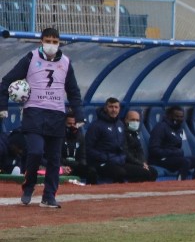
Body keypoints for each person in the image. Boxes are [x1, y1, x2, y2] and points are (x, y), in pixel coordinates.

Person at [0, 28, 83, 207]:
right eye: (48, 41)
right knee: (36, 151)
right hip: (34, 112)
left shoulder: (66, 62)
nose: (51, 45)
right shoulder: (30, 58)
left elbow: (73, 91)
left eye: (55, 42)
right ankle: (28, 186)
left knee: (54, 158)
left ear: (59, 43)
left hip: (57, 114)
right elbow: (6, 81)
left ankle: (49, 196)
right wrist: (3, 106)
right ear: (41, 42)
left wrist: (79, 115)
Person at [86, 97, 155, 183]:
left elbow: (124, 148)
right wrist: (104, 157)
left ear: (119, 109)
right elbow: (88, 148)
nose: (113, 110)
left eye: (116, 107)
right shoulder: (96, 126)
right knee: (119, 172)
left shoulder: (120, 124)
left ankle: (134, 190)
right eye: (111, 107)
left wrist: (140, 163)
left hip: (119, 161)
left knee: (147, 173)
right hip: (102, 162)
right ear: (105, 108)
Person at [148, 106, 195, 180]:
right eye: (176, 116)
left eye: (181, 117)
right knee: (185, 162)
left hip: (174, 158)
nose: (179, 119)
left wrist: (176, 153)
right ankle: (180, 184)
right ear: (169, 116)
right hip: (160, 159)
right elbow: (153, 149)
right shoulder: (160, 128)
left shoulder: (179, 129)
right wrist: (173, 152)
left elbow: (177, 148)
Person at [123, 110, 158, 182]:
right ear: (126, 120)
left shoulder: (135, 133)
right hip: (126, 163)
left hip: (137, 163)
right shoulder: (122, 133)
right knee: (145, 173)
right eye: (132, 120)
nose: (135, 122)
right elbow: (126, 153)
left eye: (137, 120)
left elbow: (140, 150)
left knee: (154, 172)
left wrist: (143, 162)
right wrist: (140, 164)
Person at [61, 111, 96, 185]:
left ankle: (91, 190)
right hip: (62, 166)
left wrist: (79, 165)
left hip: (76, 166)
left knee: (91, 171)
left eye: (74, 124)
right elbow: (57, 156)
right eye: (69, 124)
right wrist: (62, 166)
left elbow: (83, 156)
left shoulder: (80, 137)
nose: (72, 126)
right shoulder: (59, 137)